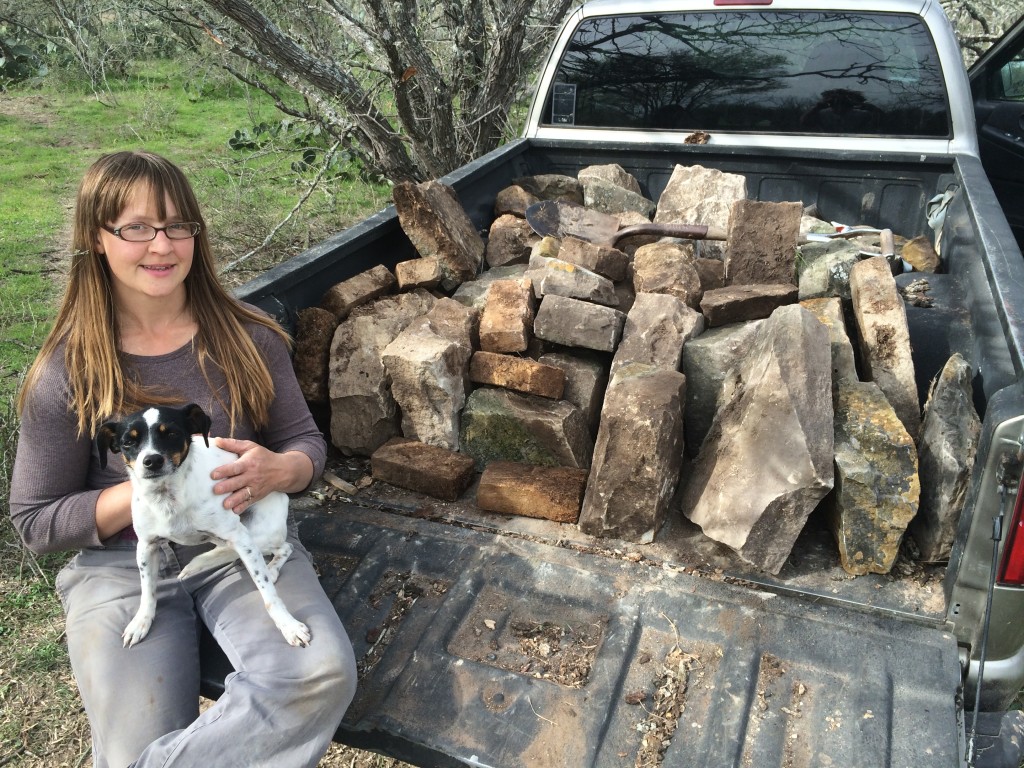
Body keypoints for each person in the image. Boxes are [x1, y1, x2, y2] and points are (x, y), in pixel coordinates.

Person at [9, 150, 357, 768]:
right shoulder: (67, 371)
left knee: (316, 674)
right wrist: (150, 487)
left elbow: (306, 444)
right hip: (122, 567)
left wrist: (282, 470)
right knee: (130, 748)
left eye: (178, 226)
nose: (161, 245)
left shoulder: (250, 337)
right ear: (97, 239)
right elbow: (36, 521)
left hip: (237, 540)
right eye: (135, 227)